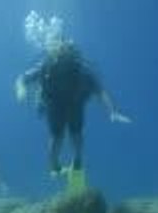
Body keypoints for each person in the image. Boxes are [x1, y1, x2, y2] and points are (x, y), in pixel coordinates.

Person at [15, 40, 130, 175]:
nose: (62, 61)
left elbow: (100, 91)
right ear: (53, 55)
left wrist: (113, 111)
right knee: (58, 136)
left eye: (65, 56)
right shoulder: (45, 66)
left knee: (74, 133)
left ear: (70, 55)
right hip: (54, 103)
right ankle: (55, 165)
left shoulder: (81, 70)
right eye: (59, 56)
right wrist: (20, 89)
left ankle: (75, 160)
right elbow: (22, 78)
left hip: (75, 103)